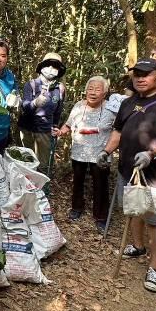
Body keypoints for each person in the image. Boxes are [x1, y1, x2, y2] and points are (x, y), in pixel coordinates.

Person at [99, 58, 156, 293]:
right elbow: (118, 131)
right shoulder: (127, 102)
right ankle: (138, 246)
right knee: (133, 208)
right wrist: (106, 151)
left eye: (146, 74)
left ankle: (155, 267)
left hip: (154, 171)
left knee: (155, 218)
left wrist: (154, 153)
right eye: (136, 73)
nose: (140, 77)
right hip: (126, 167)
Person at [59, 76, 117, 232]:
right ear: (85, 91)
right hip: (79, 151)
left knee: (101, 184)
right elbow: (68, 124)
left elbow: (118, 130)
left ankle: (101, 216)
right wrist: (61, 131)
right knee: (77, 181)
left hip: (101, 152)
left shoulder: (111, 109)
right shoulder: (78, 105)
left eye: (98, 89)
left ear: (105, 93)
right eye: (90, 88)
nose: (93, 92)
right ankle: (77, 207)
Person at [20, 53, 67, 173]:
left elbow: (58, 110)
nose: (51, 69)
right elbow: (25, 107)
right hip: (28, 129)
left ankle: (40, 189)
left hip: (45, 130)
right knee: (26, 162)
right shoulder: (31, 84)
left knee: (42, 164)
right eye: (48, 65)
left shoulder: (60, 88)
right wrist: (35, 103)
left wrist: (55, 126)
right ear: (42, 67)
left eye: (55, 67)